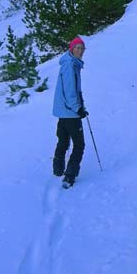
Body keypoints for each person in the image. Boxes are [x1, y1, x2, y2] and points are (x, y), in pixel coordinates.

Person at [52, 36, 89, 188]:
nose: (80, 51)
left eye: (82, 48)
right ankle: (69, 176)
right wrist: (78, 108)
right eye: (77, 48)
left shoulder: (71, 63)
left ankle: (58, 169)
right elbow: (70, 91)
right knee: (79, 144)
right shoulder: (69, 65)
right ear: (71, 49)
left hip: (63, 111)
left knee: (63, 140)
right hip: (70, 112)